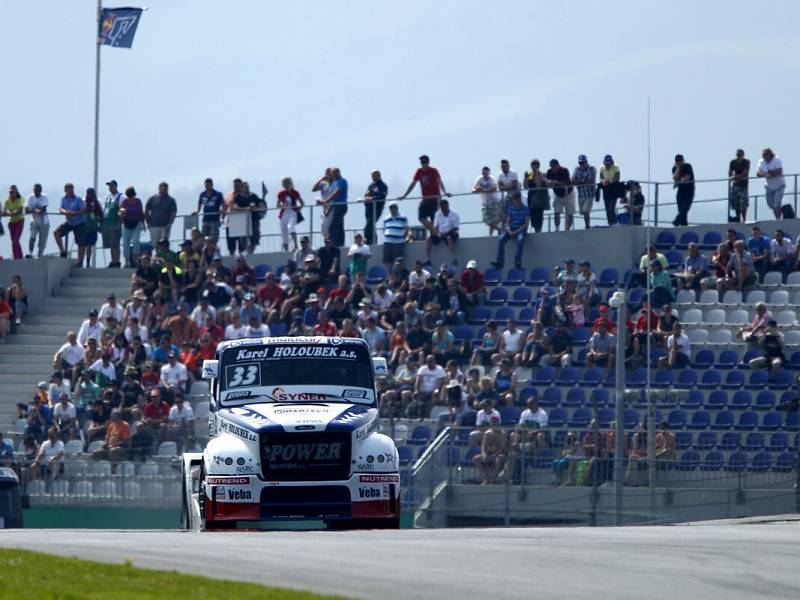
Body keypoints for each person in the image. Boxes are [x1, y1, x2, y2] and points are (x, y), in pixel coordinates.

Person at [399, 154, 451, 234]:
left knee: (434, 218)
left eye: (425, 162)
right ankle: (436, 232)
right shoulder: (419, 172)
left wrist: (444, 192)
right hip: (425, 199)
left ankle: (435, 235)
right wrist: (405, 195)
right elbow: (413, 184)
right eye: (422, 162)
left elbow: (440, 182)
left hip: (435, 198)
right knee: (421, 217)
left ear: (428, 162)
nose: (423, 164)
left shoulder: (433, 171)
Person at [491, 191, 529, 269]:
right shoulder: (511, 209)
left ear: (519, 199)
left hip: (520, 230)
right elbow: (508, 222)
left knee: (520, 240)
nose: (514, 202)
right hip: (511, 230)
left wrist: (516, 232)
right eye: (513, 200)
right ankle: (500, 262)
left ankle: (517, 261)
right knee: (501, 239)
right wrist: (509, 231)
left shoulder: (526, 209)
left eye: (516, 200)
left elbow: (526, 224)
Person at [53, 183, 87, 265]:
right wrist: (66, 212)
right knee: (56, 232)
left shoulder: (78, 199)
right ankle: (63, 251)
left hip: (79, 223)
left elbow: (84, 210)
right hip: (69, 223)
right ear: (65, 190)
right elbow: (61, 209)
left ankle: (80, 261)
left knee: (80, 243)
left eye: (72, 190)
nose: (71, 192)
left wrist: (74, 213)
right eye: (69, 190)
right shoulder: (63, 199)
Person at [426, 199, 460, 266]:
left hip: (451, 232)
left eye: (444, 207)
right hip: (440, 233)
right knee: (429, 240)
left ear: (447, 206)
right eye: (442, 208)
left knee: (449, 238)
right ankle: (428, 260)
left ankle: (454, 258)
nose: (443, 209)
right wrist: (438, 233)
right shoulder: (438, 214)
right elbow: (436, 227)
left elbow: (456, 228)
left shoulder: (455, 215)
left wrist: (447, 233)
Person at [277, 176, 304, 252]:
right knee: (284, 233)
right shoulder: (281, 193)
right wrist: (283, 206)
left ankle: (296, 245)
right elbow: (278, 205)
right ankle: (286, 250)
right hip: (283, 214)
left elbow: (302, 203)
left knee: (290, 227)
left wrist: (299, 209)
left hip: (292, 213)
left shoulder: (295, 193)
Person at [757, 147, 785, 220]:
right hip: (769, 186)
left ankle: (777, 220)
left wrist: (769, 174)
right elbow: (758, 173)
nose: (765, 156)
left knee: (776, 203)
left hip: (779, 186)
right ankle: (781, 211)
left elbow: (779, 171)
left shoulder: (776, 160)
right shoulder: (761, 162)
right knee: (770, 205)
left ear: (770, 154)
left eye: (766, 154)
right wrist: (765, 175)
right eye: (763, 154)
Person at [546, 158, 574, 231]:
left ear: (558, 165)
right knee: (556, 212)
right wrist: (548, 182)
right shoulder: (549, 172)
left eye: (554, 166)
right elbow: (547, 180)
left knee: (570, 213)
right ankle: (557, 228)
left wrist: (555, 182)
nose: (553, 167)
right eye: (551, 166)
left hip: (568, 194)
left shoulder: (564, 170)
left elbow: (567, 181)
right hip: (558, 195)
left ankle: (568, 228)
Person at [120, 186, 145, 268]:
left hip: (137, 224)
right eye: (129, 195)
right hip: (126, 224)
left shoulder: (138, 201)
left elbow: (141, 212)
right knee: (126, 243)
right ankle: (127, 261)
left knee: (136, 241)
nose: (130, 197)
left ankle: (135, 259)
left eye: (131, 195)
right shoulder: (124, 202)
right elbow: (120, 213)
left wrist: (143, 224)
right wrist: (121, 215)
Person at [523, 159, 549, 233]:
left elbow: (538, 186)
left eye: (535, 165)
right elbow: (525, 186)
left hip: (539, 199)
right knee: (533, 215)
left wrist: (536, 175)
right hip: (532, 198)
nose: (533, 167)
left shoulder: (542, 174)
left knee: (539, 214)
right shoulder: (530, 175)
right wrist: (526, 177)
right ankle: (536, 229)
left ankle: (539, 230)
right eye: (533, 165)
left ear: (538, 166)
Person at [474, 166, 502, 235]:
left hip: (494, 202)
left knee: (494, 220)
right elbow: (474, 189)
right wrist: (478, 189)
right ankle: (499, 229)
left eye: (486, 173)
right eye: (483, 173)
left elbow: (494, 188)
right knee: (486, 220)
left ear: (489, 173)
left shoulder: (492, 179)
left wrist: (483, 190)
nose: (484, 175)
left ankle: (490, 235)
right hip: (485, 203)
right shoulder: (480, 179)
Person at [598, 154, 625, 226]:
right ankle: (610, 223)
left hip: (614, 188)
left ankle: (615, 222)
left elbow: (617, 177)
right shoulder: (601, 168)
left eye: (609, 164)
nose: (608, 165)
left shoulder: (616, 167)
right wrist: (603, 181)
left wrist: (609, 181)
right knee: (607, 208)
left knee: (611, 208)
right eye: (606, 164)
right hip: (606, 189)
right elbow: (601, 177)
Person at [102, 180, 123, 267]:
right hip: (106, 224)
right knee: (110, 245)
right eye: (109, 186)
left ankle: (117, 261)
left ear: (115, 186)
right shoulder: (108, 197)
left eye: (111, 186)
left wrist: (119, 223)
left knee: (115, 244)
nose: (110, 188)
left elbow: (121, 211)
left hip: (114, 224)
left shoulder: (120, 197)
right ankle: (113, 260)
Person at [196, 177, 224, 243]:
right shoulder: (202, 194)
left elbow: (223, 206)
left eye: (209, 185)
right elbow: (199, 206)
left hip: (215, 219)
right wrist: (196, 211)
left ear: (212, 185)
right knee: (204, 239)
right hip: (205, 219)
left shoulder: (218, 194)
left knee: (213, 239)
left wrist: (222, 214)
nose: (207, 187)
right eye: (206, 185)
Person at [25, 183, 49, 259]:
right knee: (32, 237)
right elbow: (26, 209)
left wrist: (32, 209)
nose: (36, 192)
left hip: (44, 222)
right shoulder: (30, 197)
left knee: (42, 241)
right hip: (34, 220)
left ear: (41, 191)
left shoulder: (44, 197)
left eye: (38, 190)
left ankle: (40, 255)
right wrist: (35, 210)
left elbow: (43, 209)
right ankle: (30, 253)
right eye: (35, 190)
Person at [363, 170, 387, 245]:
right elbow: (367, 193)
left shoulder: (383, 185)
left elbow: (382, 196)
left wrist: (372, 199)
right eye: (372, 176)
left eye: (375, 175)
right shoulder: (371, 185)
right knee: (371, 226)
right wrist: (367, 197)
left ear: (379, 176)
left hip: (376, 209)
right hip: (368, 209)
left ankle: (368, 243)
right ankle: (373, 242)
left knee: (367, 228)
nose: (373, 177)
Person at [572, 155, 596, 229]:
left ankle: (587, 226)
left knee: (586, 211)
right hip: (581, 195)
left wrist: (580, 180)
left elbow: (591, 181)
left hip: (590, 194)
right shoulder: (576, 169)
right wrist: (583, 180)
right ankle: (586, 225)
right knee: (583, 212)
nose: (582, 164)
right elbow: (573, 181)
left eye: (583, 162)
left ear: (586, 162)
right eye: (580, 163)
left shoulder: (592, 169)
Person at [82, 187, 104, 268]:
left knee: (89, 246)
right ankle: (81, 260)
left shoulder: (97, 203)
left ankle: (88, 262)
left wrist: (100, 226)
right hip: (83, 227)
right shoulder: (83, 201)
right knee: (82, 245)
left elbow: (101, 215)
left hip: (93, 227)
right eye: (89, 193)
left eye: (91, 193)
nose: (90, 195)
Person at [327, 168, 348, 248]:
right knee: (339, 225)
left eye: (335, 173)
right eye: (332, 173)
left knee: (333, 226)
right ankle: (340, 244)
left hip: (341, 206)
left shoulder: (343, 181)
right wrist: (329, 209)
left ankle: (334, 244)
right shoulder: (333, 183)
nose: (333, 175)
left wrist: (326, 201)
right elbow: (333, 197)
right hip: (335, 206)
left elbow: (336, 193)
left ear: (339, 173)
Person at [671, 154, 695, 227]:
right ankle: (684, 225)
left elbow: (687, 178)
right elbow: (675, 178)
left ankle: (676, 221)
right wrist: (678, 169)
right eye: (677, 161)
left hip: (689, 190)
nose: (678, 162)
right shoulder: (674, 168)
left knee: (686, 207)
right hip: (681, 190)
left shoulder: (688, 166)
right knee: (681, 209)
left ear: (683, 161)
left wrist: (678, 182)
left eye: (680, 161)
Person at [382, 203, 408, 268]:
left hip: (399, 242)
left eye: (394, 208)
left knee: (398, 261)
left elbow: (407, 229)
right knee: (387, 260)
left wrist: (402, 237)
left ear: (397, 208)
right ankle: (388, 276)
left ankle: (397, 276)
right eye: (391, 208)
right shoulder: (386, 218)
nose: (392, 209)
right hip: (387, 242)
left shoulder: (403, 217)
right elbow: (384, 229)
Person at [728, 149, 751, 223]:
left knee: (743, 204)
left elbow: (745, 173)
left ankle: (744, 219)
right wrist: (735, 177)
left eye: (740, 155)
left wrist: (735, 177)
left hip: (743, 185)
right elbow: (730, 173)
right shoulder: (733, 162)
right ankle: (738, 219)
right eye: (738, 155)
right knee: (735, 204)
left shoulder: (746, 162)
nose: (739, 156)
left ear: (743, 155)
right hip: (735, 185)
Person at [4, 185, 25, 260]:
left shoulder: (20, 199)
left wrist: (12, 213)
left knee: (16, 241)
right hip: (11, 223)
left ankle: (20, 257)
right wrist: (9, 213)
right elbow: (4, 210)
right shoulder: (7, 200)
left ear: (16, 192)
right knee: (13, 242)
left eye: (12, 192)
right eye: (10, 192)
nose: (11, 193)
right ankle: (16, 257)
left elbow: (20, 210)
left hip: (19, 221)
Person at [312, 167, 334, 240]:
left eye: (330, 173)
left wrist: (329, 209)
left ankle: (331, 244)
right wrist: (321, 179)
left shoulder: (335, 184)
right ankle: (326, 244)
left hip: (332, 208)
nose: (328, 175)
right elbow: (314, 189)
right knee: (324, 228)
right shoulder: (323, 184)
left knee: (330, 227)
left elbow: (334, 198)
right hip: (324, 208)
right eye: (327, 173)